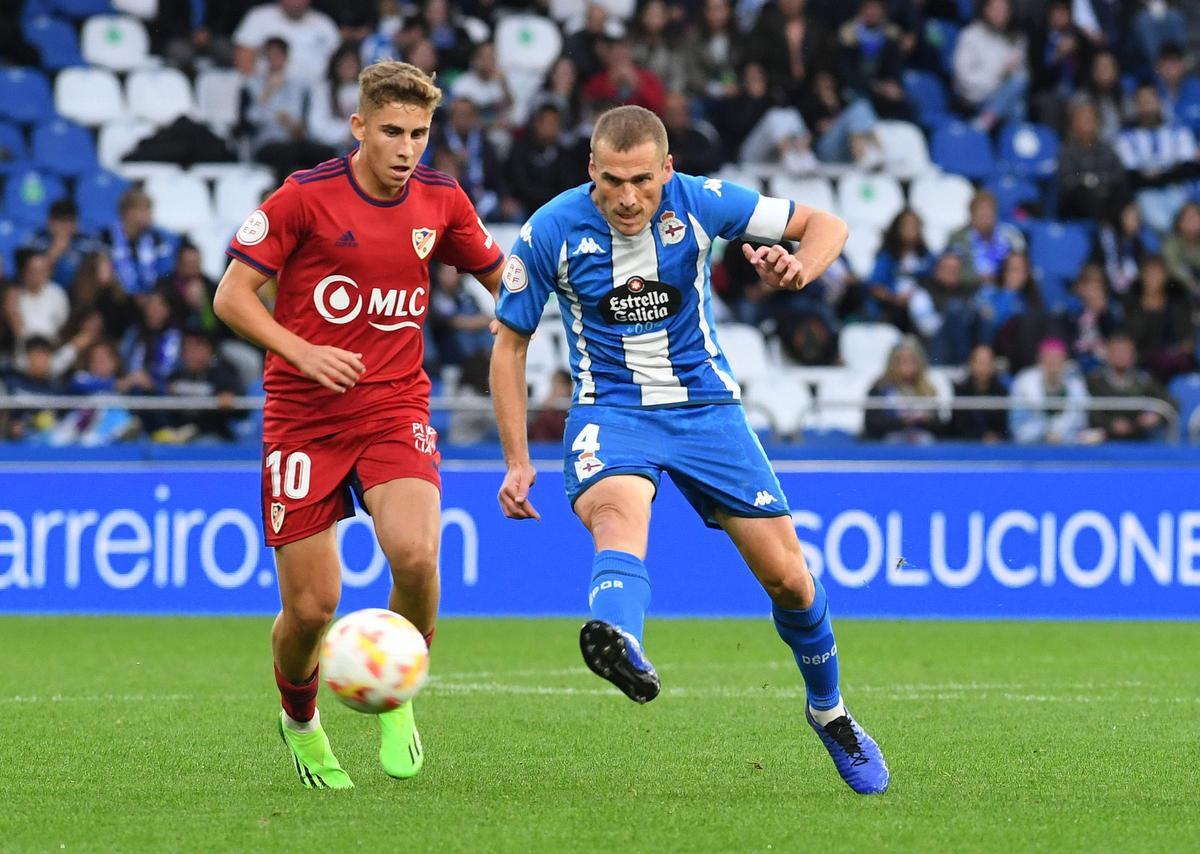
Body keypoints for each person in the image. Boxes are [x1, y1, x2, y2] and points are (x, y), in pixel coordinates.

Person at [489, 105, 889, 795]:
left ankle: (830, 711)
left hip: (707, 410)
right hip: (611, 410)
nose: (627, 197)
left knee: (790, 581)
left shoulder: (702, 201)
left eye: (642, 180)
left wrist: (800, 269)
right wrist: (517, 458)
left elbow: (827, 224)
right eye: (613, 180)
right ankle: (622, 641)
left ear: (667, 169)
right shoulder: (550, 229)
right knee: (618, 515)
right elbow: (510, 345)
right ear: (591, 170)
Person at [213, 60, 505, 790]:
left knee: (416, 556)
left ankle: (395, 695)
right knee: (312, 609)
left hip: (393, 406)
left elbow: (504, 280)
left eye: (419, 134)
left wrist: (550, 301)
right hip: (303, 418)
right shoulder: (303, 197)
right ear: (359, 127)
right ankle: (300, 720)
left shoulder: (441, 199)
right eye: (392, 132)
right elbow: (231, 297)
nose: (407, 149)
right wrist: (301, 350)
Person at [1086, 332, 1170, 441]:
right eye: (1117, 351)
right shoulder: (1094, 381)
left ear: (1134, 355)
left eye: (1126, 351)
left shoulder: (1144, 380)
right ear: (1108, 354)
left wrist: (1156, 416)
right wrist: (1110, 424)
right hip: (1103, 439)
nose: (1122, 355)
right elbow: (1089, 411)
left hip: (1140, 438)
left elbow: (1169, 403)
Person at [1010, 337, 1093, 444]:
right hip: (1031, 446)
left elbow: (1081, 422)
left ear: (1064, 360)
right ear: (1040, 360)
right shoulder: (1024, 382)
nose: (1053, 362)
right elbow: (1017, 425)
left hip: (1068, 446)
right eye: (1048, 357)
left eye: (1057, 358)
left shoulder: (1076, 385)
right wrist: (1043, 434)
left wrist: (1064, 436)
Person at [862, 336, 942, 443]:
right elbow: (872, 425)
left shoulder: (928, 389)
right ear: (892, 363)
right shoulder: (879, 389)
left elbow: (939, 426)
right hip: (889, 444)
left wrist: (927, 420)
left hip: (922, 443)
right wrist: (902, 422)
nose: (907, 365)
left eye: (911, 360)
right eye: (901, 360)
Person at [949, 343, 1009, 442]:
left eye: (988, 362)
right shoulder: (960, 391)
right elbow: (959, 425)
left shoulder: (1002, 391)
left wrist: (995, 436)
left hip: (996, 444)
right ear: (971, 364)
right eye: (980, 362)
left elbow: (1004, 425)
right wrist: (979, 437)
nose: (984, 367)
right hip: (966, 444)